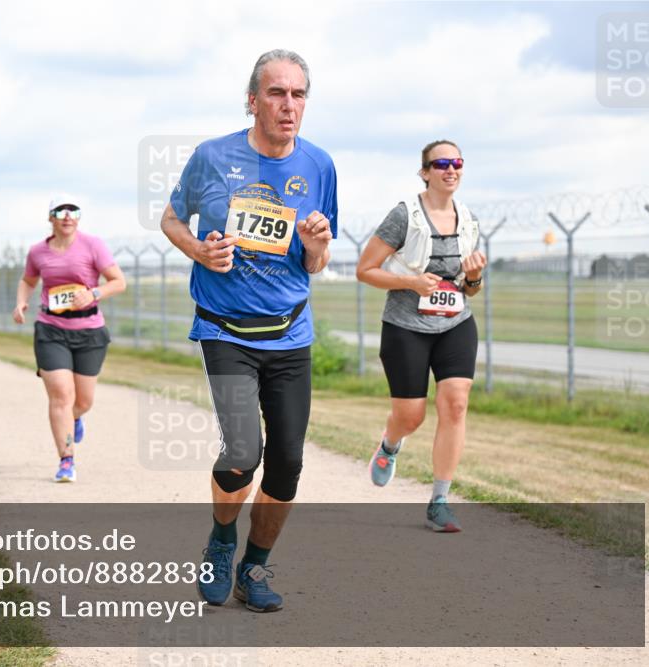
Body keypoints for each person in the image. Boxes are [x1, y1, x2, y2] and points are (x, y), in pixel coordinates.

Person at [160, 50, 336, 613]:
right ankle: (220, 538)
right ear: (253, 99)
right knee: (242, 451)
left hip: (289, 334)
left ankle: (254, 568)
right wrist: (198, 250)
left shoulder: (319, 166)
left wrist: (315, 247)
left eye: (299, 94)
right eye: (278, 93)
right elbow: (171, 218)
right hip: (225, 329)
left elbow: (316, 261)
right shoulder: (212, 157)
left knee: (287, 460)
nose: (289, 105)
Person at [356, 139, 487, 533]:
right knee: (410, 416)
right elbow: (365, 269)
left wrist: (476, 277)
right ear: (425, 172)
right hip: (405, 327)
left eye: (457, 162)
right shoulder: (404, 216)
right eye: (441, 163)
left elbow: (469, 288)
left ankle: (440, 500)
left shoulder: (469, 220)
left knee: (456, 404)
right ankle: (390, 444)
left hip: (455, 324)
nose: (451, 169)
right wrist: (411, 283)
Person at [13, 194, 126, 483]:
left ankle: (75, 418)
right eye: (59, 211)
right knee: (61, 395)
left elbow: (118, 282)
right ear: (50, 218)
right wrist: (21, 302)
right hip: (51, 329)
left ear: (78, 217)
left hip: (89, 331)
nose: (66, 215)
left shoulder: (93, 245)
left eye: (72, 210)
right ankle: (66, 460)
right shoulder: (38, 251)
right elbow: (28, 281)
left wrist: (93, 293)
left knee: (83, 401)